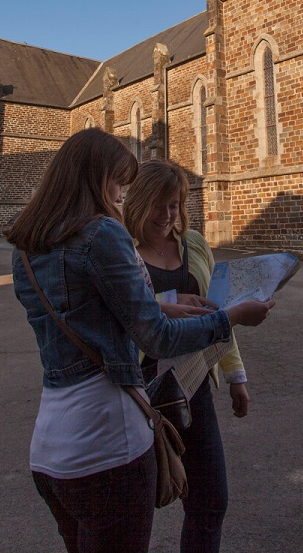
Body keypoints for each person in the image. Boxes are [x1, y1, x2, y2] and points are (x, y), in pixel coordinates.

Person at [8, 129, 273, 553]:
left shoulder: (25, 247)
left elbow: (88, 313)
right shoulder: (103, 232)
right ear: (96, 178)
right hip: (109, 439)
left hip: (51, 449)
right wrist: (232, 318)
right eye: (117, 183)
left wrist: (165, 304)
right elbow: (157, 338)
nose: (119, 196)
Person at [122, 159, 249, 553]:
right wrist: (169, 304)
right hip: (139, 395)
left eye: (174, 205)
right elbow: (123, 317)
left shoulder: (193, 244)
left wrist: (236, 376)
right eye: (157, 205)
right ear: (137, 203)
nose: (167, 215)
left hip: (193, 390)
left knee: (210, 502)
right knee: (132, 513)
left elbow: (217, 312)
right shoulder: (121, 252)